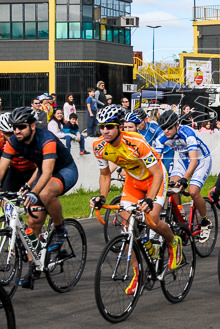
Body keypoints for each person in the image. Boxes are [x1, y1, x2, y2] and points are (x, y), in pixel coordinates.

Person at [90, 105, 182, 286]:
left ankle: (173, 242)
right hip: (133, 182)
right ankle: (138, 272)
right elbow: (105, 174)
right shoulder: (98, 147)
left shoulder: (137, 142)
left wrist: (150, 198)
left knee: (151, 219)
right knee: (126, 225)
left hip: (154, 178)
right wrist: (102, 196)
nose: (105, 131)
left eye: (109, 126)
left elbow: (157, 173)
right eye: (102, 127)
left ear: (120, 127)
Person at [0, 106, 79, 285]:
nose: (16, 131)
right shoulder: (14, 140)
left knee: (44, 193)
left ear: (32, 126)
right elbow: (2, 168)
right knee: (33, 221)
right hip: (43, 172)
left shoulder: (47, 139)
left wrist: (33, 192)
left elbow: (48, 172)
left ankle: (60, 229)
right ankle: (34, 266)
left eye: (21, 127)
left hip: (65, 170)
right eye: (14, 127)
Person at [154, 110, 214, 243]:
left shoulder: (188, 133)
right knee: (172, 187)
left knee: (193, 191)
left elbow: (194, 161)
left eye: (169, 127)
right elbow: (156, 162)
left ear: (177, 125)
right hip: (182, 160)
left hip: (200, 160)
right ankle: (181, 216)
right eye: (163, 128)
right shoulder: (161, 138)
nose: (166, 131)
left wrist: (185, 179)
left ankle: (205, 222)